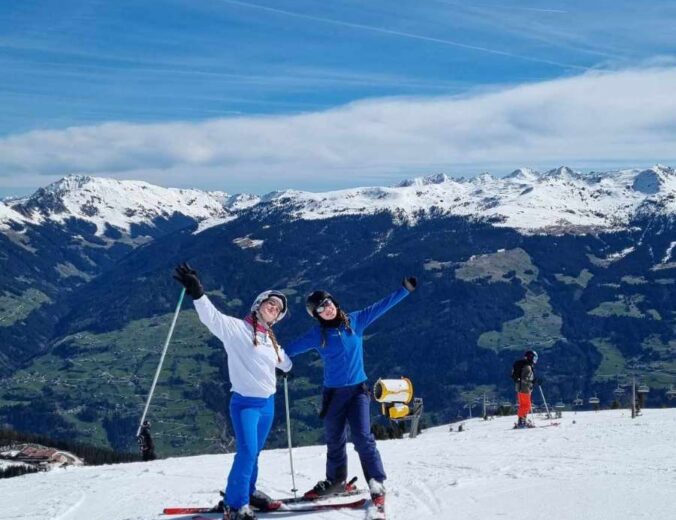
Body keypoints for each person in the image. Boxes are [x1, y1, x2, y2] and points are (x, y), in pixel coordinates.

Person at [284, 276, 417, 512]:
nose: (327, 308)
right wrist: (278, 364)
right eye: (321, 308)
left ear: (334, 301)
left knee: (363, 437)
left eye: (328, 303)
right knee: (334, 440)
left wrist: (404, 291)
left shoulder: (355, 320)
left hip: (357, 392)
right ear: (316, 315)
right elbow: (289, 350)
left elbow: (382, 306)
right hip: (333, 395)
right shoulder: (317, 335)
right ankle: (336, 481)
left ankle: (376, 481)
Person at [173, 263, 292, 520]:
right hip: (245, 405)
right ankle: (235, 503)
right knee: (247, 451)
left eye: (277, 310)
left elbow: (284, 360)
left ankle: (248, 492)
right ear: (258, 305)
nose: (273, 309)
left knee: (255, 452)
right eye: (270, 304)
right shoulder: (237, 329)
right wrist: (198, 293)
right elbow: (211, 317)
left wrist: (285, 367)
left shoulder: (270, 339)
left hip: (267, 405)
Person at [513, 350, 538, 429]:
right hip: (524, 389)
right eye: (534, 358)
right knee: (526, 405)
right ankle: (522, 422)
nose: (535, 360)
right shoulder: (527, 367)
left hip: (520, 388)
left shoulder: (525, 365)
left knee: (523, 405)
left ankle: (522, 420)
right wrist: (532, 381)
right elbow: (525, 379)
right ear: (531, 358)